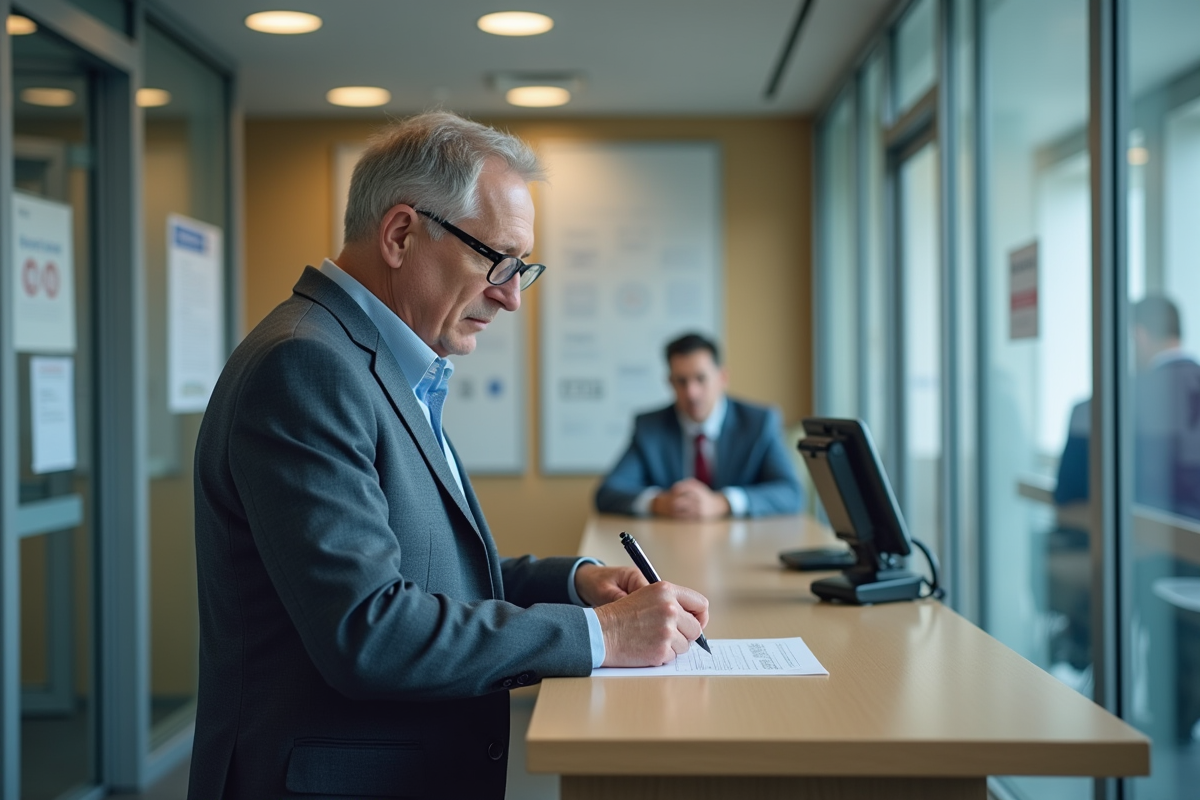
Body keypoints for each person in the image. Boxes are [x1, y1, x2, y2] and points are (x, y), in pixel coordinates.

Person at [188, 112, 710, 800]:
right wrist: (600, 635)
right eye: (496, 260)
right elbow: (368, 631)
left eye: (522, 268)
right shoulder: (305, 368)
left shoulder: (377, 362)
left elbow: (425, 571)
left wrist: (575, 584)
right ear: (401, 234)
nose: (511, 297)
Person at [594, 332, 803, 519]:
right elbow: (607, 493)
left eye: (701, 379)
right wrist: (659, 502)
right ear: (670, 382)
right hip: (669, 543)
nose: (691, 393)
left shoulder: (759, 422)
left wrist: (722, 503)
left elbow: (791, 493)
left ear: (722, 378)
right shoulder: (650, 427)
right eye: (681, 381)